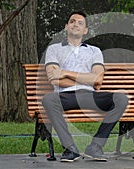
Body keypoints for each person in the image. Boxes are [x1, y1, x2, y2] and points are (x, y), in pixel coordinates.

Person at [42, 11, 129, 162]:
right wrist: (86, 79)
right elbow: (54, 79)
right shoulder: (54, 49)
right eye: (72, 21)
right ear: (66, 26)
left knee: (120, 99)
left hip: (90, 96)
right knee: (48, 99)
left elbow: (97, 80)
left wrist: (64, 73)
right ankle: (70, 149)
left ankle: (95, 147)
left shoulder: (94, 51)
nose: (75, 24)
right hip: (65, 96)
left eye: (80, 23)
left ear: (85, 30)